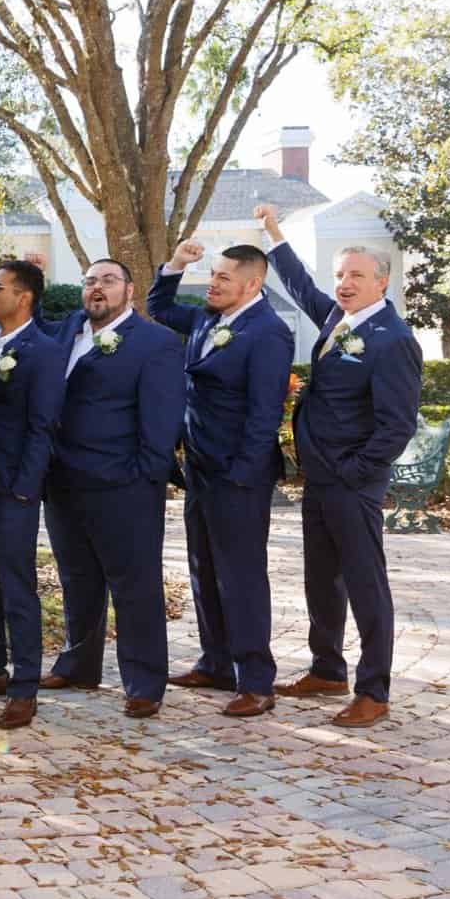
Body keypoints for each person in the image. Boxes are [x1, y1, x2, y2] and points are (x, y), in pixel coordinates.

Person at [259, 204, 423, 728]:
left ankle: (373, 690)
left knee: (365, 584)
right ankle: (327, 668)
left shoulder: (393, 340)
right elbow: (303, 286)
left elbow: (396, 425)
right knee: (321, 580)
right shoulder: (338, 318)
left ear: (382, 281)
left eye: (355, 275)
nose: (344, 284)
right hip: (321, 479)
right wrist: (273, 235)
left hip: (352, 484)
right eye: (340, 275)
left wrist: (355, 472)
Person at [148, 239, 294, 716]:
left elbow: (263, 412)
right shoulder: (208, 319)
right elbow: (160, 306)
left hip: (238, 475)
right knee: (203, 567)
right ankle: (215, 663)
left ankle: (257, 680)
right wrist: (176, 265)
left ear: (253, 284)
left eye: (223, 277)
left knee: (242, 576)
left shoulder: (267, 332)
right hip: (201, 468)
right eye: (211, 275)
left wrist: (241, 475)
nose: (211, 283)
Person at [40, 259, 184, 718]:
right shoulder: (68, 332)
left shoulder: (155, 342)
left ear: (130, 289)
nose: (97, 288)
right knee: (77, 578)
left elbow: (161, 422)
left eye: (108, 280)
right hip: (62, 481)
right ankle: (79, 664)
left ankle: (144, 682)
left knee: (134, 585)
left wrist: (143, 477)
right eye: (90, 282)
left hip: (123, 486)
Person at [0, 260, 64, 729]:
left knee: (16, 586)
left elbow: (43, 425)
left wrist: (26, 489)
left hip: (12, 490)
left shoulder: (43, 351)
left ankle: (25, 686)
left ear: (23, 297)